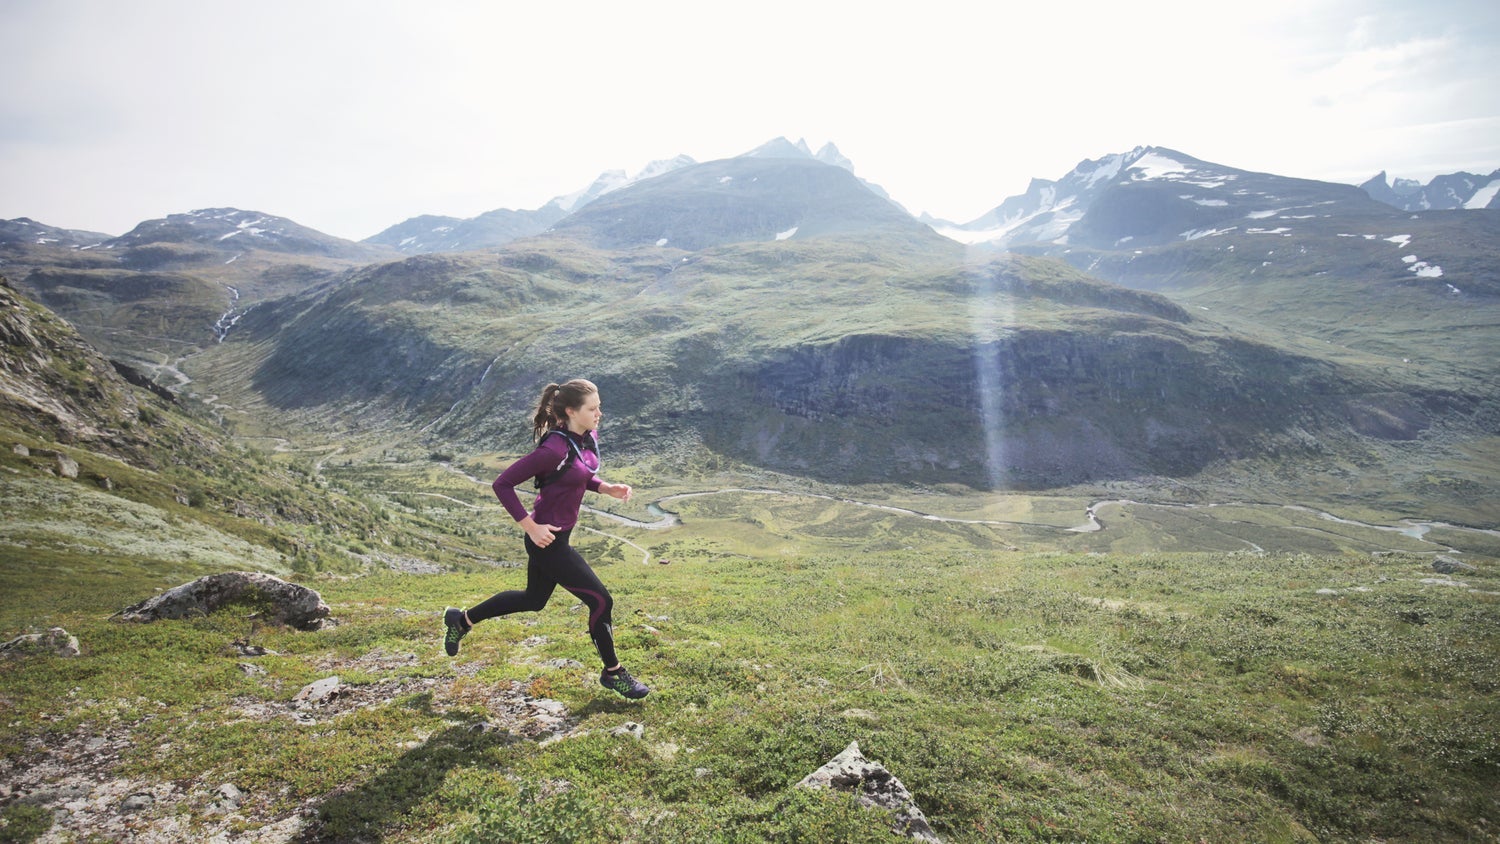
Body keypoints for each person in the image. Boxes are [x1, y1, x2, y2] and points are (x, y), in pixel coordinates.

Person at [442, 378, 649, 699]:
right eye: (592, 408)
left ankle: (461, 620)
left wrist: (605, 487)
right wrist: (530, 526)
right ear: (571, 411)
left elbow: (578, 475)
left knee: (533, 599)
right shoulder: (553, 448)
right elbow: (503, 484)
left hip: (558, 538)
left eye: (599, 407)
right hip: (546, 540)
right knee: (601, 600)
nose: (599, 414)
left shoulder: (585, 436)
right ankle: (613, 673)